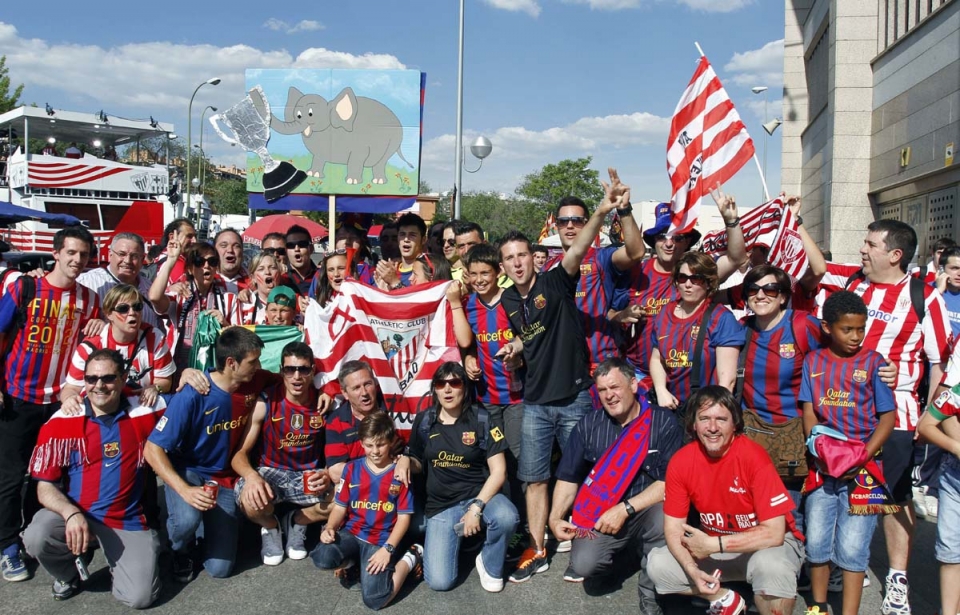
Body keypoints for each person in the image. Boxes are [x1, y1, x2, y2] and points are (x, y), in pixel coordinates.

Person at [818, 219, 952, 615]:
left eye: (870, 243)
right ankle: (843, 565)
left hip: (897, 417)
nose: (862, 249)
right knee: (846, 490)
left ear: (894, 254)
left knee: (894, 498)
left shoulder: (925, 297)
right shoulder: (853, 285)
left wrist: (929, 416)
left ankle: (896, 578)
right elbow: (816, 269)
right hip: (844, 413)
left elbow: (941, 363)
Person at [496, 181, 623, 583]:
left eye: (521, 256)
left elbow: (579, 249)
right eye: (509, 259)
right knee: (535, 479)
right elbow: (531, 334)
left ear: (533, 258)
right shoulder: (507, 302)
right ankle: (537, 548)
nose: (517, 264)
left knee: (585, 475)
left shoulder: (556, 281)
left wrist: (602, 210)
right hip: (534, 403)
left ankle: (584, 540)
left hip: (574, 399)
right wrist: (515, 349)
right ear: (503, 267)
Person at [0, 226, 102, 582]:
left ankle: (29, 535)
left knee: (46, 475)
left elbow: (96, 337)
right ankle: (7, 547)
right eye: (71, 253)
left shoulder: (89, 300)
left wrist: (99, 324)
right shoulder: (25, 286)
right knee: (11, 477)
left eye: (83, 255)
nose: (77, 260)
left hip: (60, 403)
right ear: (55, 253)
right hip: (18, 396)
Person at [23, 349, 164, 606]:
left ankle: (127, 557)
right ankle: (68, 574)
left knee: (141, 598)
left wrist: (187, 374)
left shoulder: (145, 409)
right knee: (36, 535)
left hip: (125, 519)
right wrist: (70, 513)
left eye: (108, 378)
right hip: (76, 515)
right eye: (91, 379)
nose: (99, 385)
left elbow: (189, 404)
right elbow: (44, 487)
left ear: (123, 379)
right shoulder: (61, 422)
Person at [646, 386, 804, 615]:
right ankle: (724, 600)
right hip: (713, 546)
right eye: (704, 419)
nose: (712, 428)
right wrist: (693, 571)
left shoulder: (754, 457)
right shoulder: (681, 461)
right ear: (693, 424)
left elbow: (775, 533)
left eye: (721, 419)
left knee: (773, 567)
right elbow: (673, 529)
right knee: (658, 563)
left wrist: (715, 544)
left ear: (735, 424)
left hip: (765, 547)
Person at [548, 358, 682, 614]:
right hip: (601, 511)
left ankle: (651, 592)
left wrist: (625, 509)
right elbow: (568, 477)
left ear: (633, 385)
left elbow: (670, 482)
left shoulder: (663, 422)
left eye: (615, 387)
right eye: (602, 390)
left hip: (646, 508)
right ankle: (627, 554)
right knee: (584, 566)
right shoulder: (589, 425)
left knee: (668, 515)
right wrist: (555, 518)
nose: (609, 396)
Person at [800, 290, 897, 615]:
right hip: (822, 470)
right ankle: (818, 606)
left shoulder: (874, 363)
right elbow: (809, 409)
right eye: (847, 329)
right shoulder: (813, 362)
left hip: (866, 472)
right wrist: (817, 445)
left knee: (853, 548)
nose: (856, 337)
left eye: (861, 329)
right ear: (827, 327)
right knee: (816, 542)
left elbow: (887, 417)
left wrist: (863, 456)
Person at [144, 327, 265, 582]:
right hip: (190, 473)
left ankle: (203, 525)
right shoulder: (193, 393)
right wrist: (184, 490)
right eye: (253, 361)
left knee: (220, 569)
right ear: (231, 363)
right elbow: (152, 449)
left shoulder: (254, 380)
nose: (259, 365)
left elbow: (288, 379)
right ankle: (179, 548)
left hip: (224, 478)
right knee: (186, 520)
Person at [399, 362, 518, 593]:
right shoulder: (424, 420)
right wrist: (405, 460)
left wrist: (476, 509)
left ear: (464, 387)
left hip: (480, 497)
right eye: (441, 384)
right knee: (439, 582)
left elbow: (499, 472)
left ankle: (489, 562)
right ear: (434, 389)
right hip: (442, 504)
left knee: (506, 516)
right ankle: (461, 538)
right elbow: (416, 460)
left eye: (454, 383)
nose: (447, 389)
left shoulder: (482, 419)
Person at [613, 187, 747, 388]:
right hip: (639, 374)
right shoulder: (635, 273)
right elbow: (608, 312)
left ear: (686, 243)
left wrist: (731, 221)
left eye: (677, 238)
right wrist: (621, 316)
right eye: (662, 236)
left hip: (688, 381)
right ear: (654, 241)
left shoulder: (699, 274)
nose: (669, 244)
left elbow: (737, 258)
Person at [232, 342, 331, 566]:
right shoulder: (266, 401)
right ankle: (271, 526)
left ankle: (298, 520)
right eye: (290, 369)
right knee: (249, 499)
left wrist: (327, 472)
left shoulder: (324, 403)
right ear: (281, 371)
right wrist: (252, 477)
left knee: (349, 496)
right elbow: (239, 454)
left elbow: (337, 451)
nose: (297, 376)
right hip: (271, 472)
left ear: (313, 370)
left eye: (303, 369)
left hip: (308, 474)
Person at [738, 265, 823, 521]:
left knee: (789, 516)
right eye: (753, 289)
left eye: (770, 289)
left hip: (792, 438)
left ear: (784, 296)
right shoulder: (741, 328)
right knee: (750, 512)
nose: (761, 295)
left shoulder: (802, 325)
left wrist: (881, 367)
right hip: (751, 434)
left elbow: (839, 357)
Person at [313, 412, 421, 609]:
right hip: (352, 533)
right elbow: (339, 506)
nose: (375, 451)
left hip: (380, 540)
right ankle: (353, 564)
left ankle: (411, 556)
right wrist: (329, 527)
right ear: (361, 443)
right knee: (322, 557)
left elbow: (405, 518)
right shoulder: (351, 469)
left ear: (391, 442)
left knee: (375, 600)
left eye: (380, 444)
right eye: (369, 445)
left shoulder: (399, 473)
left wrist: (387, 550)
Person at [544, 169, 645, 370]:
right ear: (556, 225)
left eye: (577, 220)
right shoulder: (547, 268)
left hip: (601, 365)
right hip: (563, 366)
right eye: (564, 221)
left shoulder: (600, 258)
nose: (570, 226)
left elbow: (635, 253)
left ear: (588, 223)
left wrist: (623, 210)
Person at [649, 251, 744, 413]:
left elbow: (727, 381)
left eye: (696, 279)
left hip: (706, 407)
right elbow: (657, 358)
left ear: (708, 283)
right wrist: (660, 389)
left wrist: (710, 413)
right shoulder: (665, 312)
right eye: (682, 278)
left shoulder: (721, 318)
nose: (687, 284)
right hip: (669, 404)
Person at [62, 284, 174, 413]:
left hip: (141, 410)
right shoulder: (90, 346)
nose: (132, 313)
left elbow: (165, 380)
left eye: (137, 307)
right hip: (101, 413)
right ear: (109, 314)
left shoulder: (154, 337)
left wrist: (155, 388)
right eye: (123, 309)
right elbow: (71, 388)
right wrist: (69, 399)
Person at [149, 238, 241, 381]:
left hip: (217, 372)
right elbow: (154, 297)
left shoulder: (229, 299)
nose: (206, 266)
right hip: (180, 371)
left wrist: (225, 324)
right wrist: (171, 260)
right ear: (190, 269)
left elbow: (240, 339)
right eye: (199, 262)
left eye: (212, 262)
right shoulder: (180, 294)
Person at [916, 374, 960, 615]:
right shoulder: (958, 391)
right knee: (950, 551)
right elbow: (925, 425)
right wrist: (956, 447)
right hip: (954, 479)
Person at [78, 232, 160, 328]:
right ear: (110, 255)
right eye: (122, 254)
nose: (127, 261)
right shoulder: (87, 282)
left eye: (134, 256)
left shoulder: (151, 288)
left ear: (142, 259)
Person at [325, 361, 389, 484]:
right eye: (356, 388)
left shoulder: (392, 409)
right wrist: (381, 462)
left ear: (375, 384)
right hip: (358, 485)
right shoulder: (336, 421)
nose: (364, 393)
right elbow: (336, 473)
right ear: (345, 393)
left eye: (368, 384)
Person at [375, 213, 426, 290]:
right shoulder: (388, 271)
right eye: (402, 234)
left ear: (423, 240)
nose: (406, 239)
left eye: (412, 235)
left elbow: (423, 301)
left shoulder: (429, 268)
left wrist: (395, 283)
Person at [241, 252, 282, 325]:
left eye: (272, 268)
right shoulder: (244, 306)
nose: (267, 272)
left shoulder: (293, 303)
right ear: (253, 278)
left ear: (279, 273)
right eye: (261, 269)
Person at [152, 218, 197, 284]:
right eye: (189, 236)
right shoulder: (171, 262)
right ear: (172, 237)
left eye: (195, 236)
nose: (194, 241)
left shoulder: (181, 259)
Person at [285, 225, 318, 295]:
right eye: (291, 245)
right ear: (286, 250)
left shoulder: (323, 277)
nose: (296, 249)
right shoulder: (281, 279)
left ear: (311, 249)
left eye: (302, 244)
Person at [214, 229, 248, 294]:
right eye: (224, 245)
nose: (230, 250)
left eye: (236, 246)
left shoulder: (255, 282)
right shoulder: (203, 281)